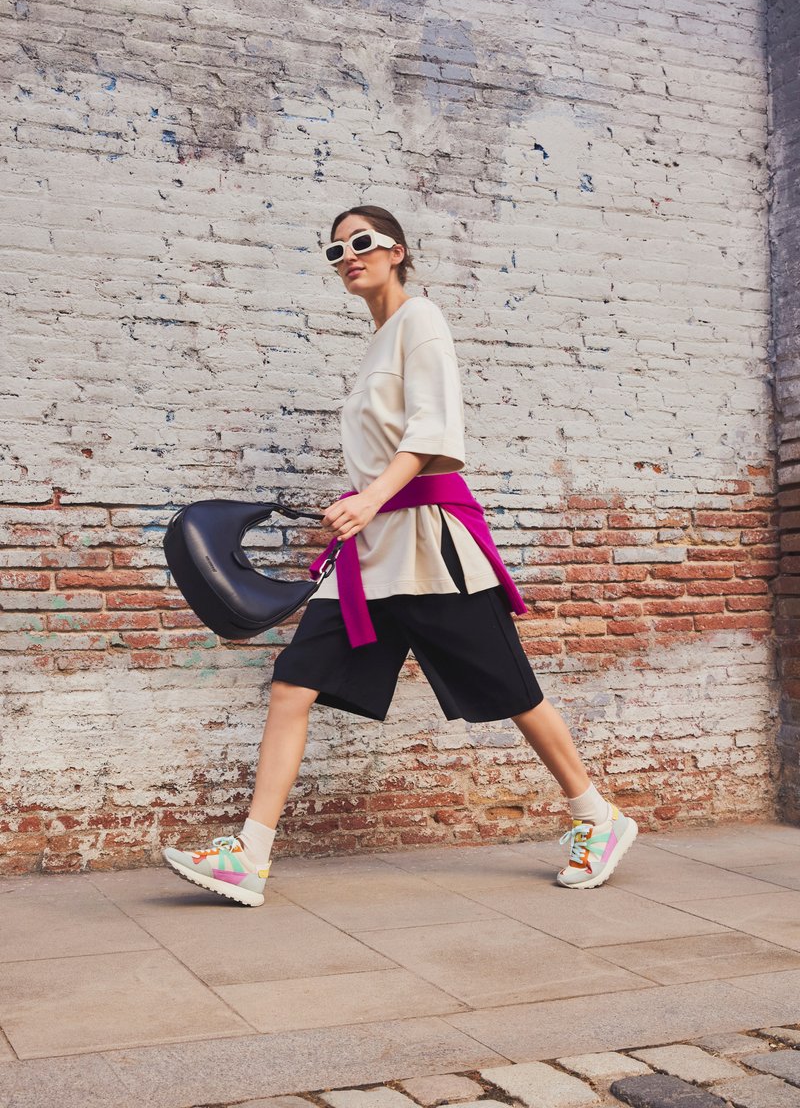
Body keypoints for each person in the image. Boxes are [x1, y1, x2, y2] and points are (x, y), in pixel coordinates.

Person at [162, 205, 638, 907]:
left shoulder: (422, 320)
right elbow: (389, 448)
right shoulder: (377, 342)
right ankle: (248, 855)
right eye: (335, 250)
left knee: (511, 686)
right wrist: (359, 501)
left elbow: (433, 429)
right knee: (294, 684)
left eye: (362, 242)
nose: (348, 255)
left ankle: (597, 815)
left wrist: (371, 496)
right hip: (372, 550)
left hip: (428, 543)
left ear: (397, 251)